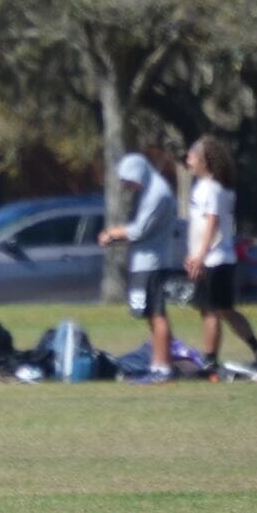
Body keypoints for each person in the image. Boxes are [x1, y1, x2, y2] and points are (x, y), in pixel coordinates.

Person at [183, 136, 257, 371]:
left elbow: (212, 223)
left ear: (205, 161)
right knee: (223, 310)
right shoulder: (205, 187)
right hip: (210, 257)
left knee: (211, 310)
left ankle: (210, 362)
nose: (188, 160)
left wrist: (200, 256)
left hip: (215, 259)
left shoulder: (211, 189)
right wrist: (193, 254)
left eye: (192, 156)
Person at [97, 154, 179, 381]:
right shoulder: (150, 189)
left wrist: (112, 234)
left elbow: (139, 230)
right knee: (151, 314)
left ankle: (160, 368)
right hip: (146, 261)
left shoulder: (157, 193)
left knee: (156, 314)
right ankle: (163, 363)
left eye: (128, 180)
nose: (127, 185)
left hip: (152, 263)